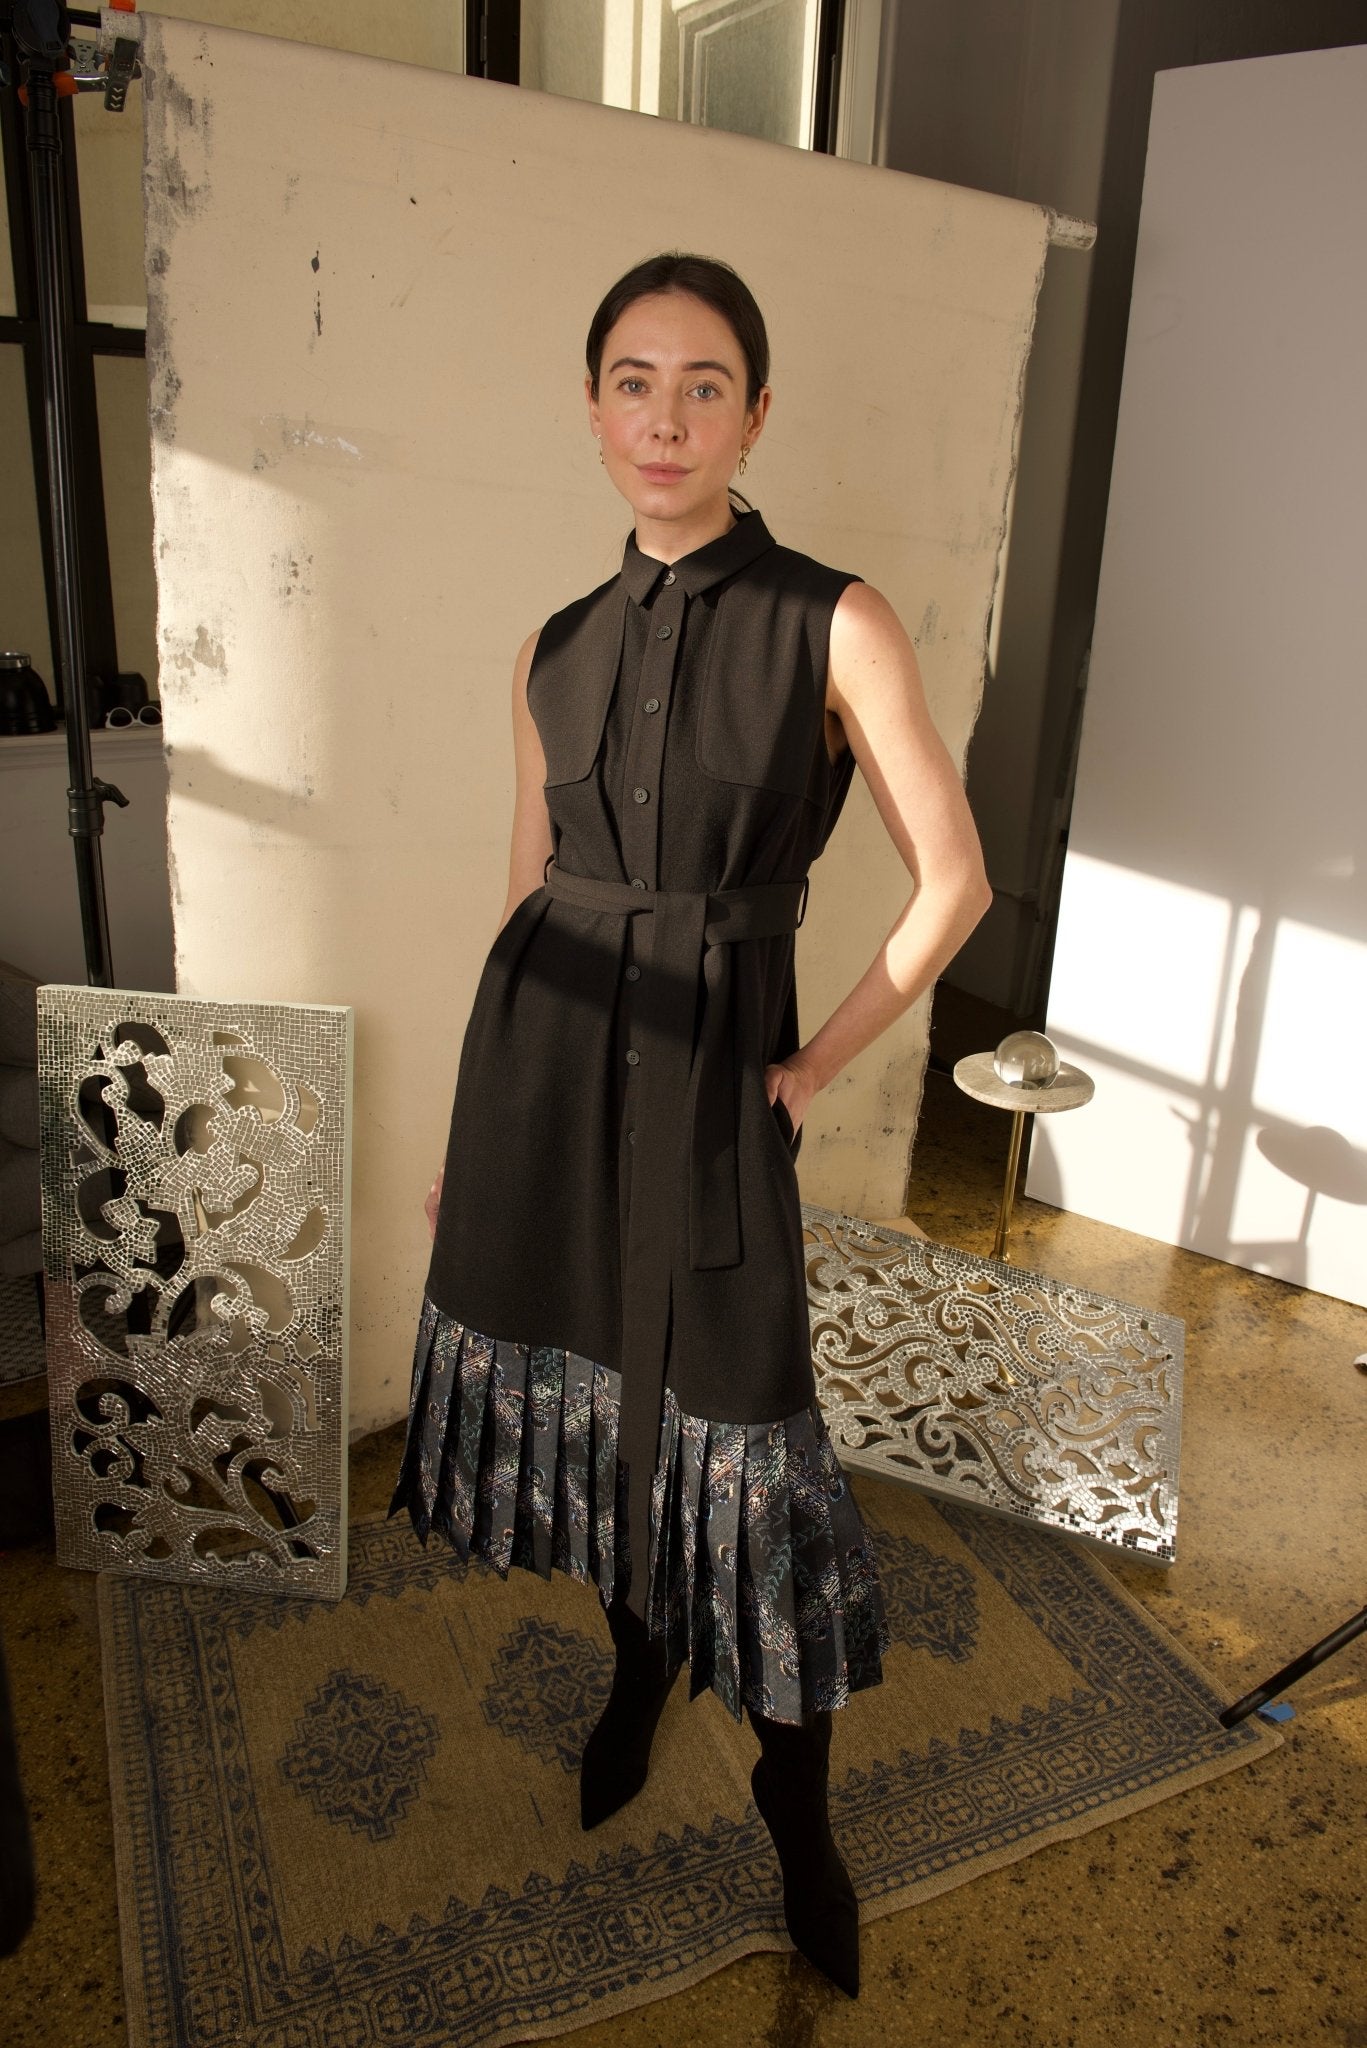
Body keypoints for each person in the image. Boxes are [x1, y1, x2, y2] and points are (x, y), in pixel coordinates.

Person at [389, 251, 992, 1998]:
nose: (666, 416)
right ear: (593, 410)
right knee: (596, 1431)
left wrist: (815, 1067)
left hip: (719, 1086)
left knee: (754, 1454)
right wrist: (477, 1129)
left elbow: (951, 882)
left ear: (755, 411)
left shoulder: (835, 619)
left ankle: (802, 1831)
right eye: (634, 381)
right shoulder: (552, 649)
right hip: (544, 1091)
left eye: (704, 382)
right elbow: (528, 902)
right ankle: (639, 1664)